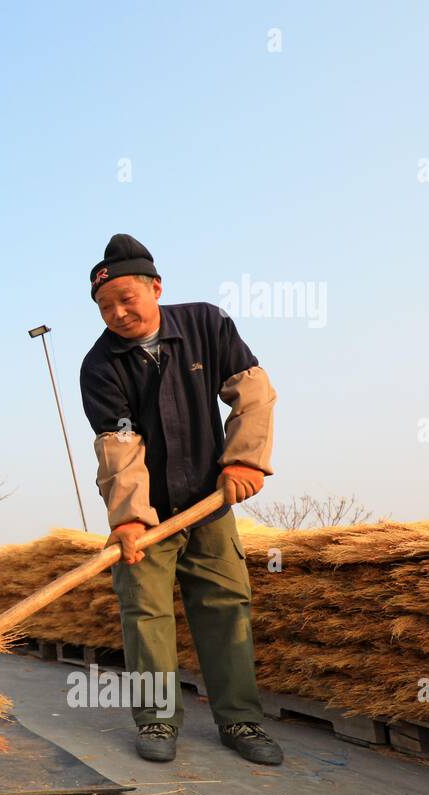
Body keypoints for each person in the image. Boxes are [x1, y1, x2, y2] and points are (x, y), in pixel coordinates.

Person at [79, 234, 283, 766]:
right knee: (144, 612)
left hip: (209, 504)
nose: (119, 313)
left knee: (225, 607)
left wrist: (244, 459)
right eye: (105, 307)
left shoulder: (205, 325)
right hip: (147, 518)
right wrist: (128, 522)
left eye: (128, 299)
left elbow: (253, 391)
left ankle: (240, 719)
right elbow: (120, 449)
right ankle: (157, 721)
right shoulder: (100, 365)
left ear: (156, 287)